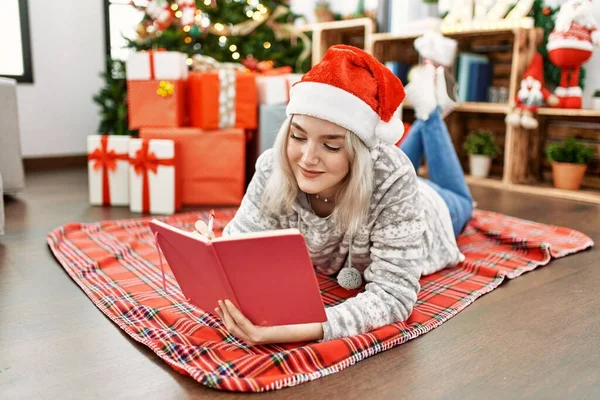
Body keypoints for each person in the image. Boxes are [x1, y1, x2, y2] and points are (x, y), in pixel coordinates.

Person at [195, 45, 473, 346]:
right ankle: (424, 112)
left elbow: (394, 295)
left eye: (331, 145)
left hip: (434, 208)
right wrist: (217, 255)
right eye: (298, 136)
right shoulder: (274, 165)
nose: (307, 158)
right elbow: (242, 243)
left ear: (356, 151)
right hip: (379, 175)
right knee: (392, 164)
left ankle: (430, 112)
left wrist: (307, 328)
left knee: (462, 200)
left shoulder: (393, 178)